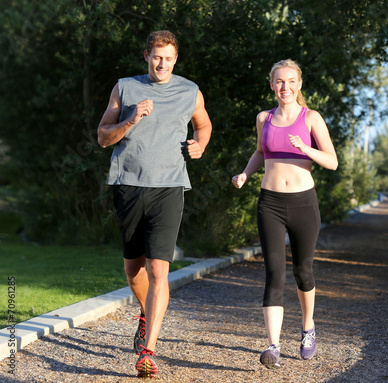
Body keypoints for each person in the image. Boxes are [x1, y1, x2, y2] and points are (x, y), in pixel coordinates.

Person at [97, 30, 212, 378]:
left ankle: (148, 351)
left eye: (169, 58)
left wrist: (199, 145)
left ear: (176, 60)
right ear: (146, 55)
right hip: (128, 185)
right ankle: (146, 313)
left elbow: (203, 126)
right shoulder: (124, 87)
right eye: (156, 57)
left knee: (159, 269)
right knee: (134, 272)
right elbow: (103, 137)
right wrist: (130, 119)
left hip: (169, 187)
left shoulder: (189, 91)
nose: (162, 64)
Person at [232, 59, 338, 369]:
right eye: (279, 82)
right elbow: (260, 152)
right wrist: (245, 174)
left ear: (299, 84)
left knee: (303, 271)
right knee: (274, 273)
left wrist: (306, 149)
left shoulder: (311, 118)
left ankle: (307, 328)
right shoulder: (263, 118)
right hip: (271, 203)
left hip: (304, 203)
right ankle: (273, 345)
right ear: (271, 85)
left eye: (291, 81)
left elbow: (332, 161)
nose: (285, 87)